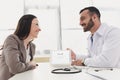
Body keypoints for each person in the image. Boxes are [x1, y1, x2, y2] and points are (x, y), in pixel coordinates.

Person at [0, 14, 41, 80]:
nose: (40, 29)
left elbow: (26, 68)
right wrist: (31, 64)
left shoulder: (32, 47)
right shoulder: (11, 40)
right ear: (26, 25)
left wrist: (31, 65)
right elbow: (15, 68)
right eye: (36, 24)